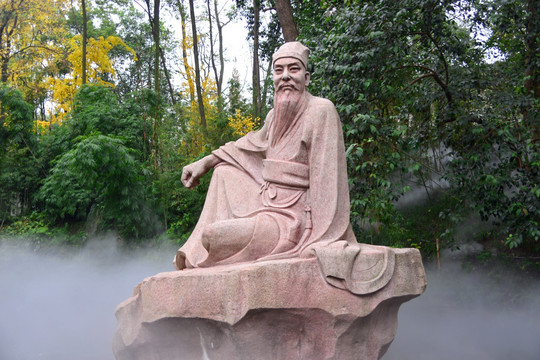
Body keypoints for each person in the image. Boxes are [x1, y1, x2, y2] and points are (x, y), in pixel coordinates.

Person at [174, 41, 357, 270]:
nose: (286, 76)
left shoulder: (321, 111)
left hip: (293, 220)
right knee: (223, 173)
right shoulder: (274, 116)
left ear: (307, 78)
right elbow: (247, 146)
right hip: (265, 200)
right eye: (279, 70)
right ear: (273, 78)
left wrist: (319, 238)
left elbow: (327, 181)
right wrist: (207, 161)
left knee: (211, 237)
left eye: (294, 69)